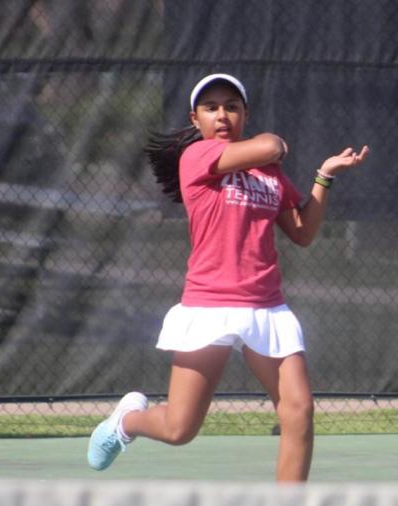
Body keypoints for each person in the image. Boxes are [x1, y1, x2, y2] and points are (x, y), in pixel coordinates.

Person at [86, 73, 369, 482]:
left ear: (245, 114)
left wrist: (323, 176)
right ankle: (128, 421)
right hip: (209, 307)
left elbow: (303, 232)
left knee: (299, 413)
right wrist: (274, 148)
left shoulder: (269, 176)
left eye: (232, 107)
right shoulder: (197, 157)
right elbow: (272, 144)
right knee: (179, 429)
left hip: (267, 307)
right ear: (195, 118)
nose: (223, 115)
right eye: (212, 107)